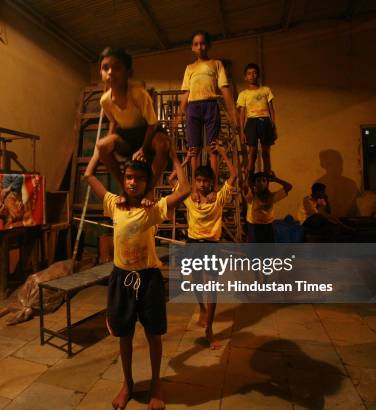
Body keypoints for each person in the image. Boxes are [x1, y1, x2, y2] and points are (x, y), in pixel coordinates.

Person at [85, 142, 191, 410]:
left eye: (139, 179)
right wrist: (99, 149)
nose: (133, 182)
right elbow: (88, 175)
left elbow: (186, 190)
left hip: (149, 279)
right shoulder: (114, 204)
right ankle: (128, 383)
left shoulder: (152, 209)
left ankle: (156, 383)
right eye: (129, 177)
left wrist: (177, 159)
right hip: (122, 279)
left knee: (154, 334)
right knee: (125, 335)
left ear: (147, 183)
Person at [169, 143, 237, 349]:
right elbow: (172, 179)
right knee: (197, 281)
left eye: (205, 181)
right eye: (198, 180)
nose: (201, 184)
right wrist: (188, 159)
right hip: (193, 245)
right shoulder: (190, 198)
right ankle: (202, 309)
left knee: (212, 287)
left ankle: (209, 328)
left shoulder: (218, 199)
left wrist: (222, 153)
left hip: (211, 246)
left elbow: (233, 175)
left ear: (211, 183)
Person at [96, 47, 171, 205]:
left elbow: (152, 123)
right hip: (126, 136)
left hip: (147, 132)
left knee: (163, 143)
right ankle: (124, 188)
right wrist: (108, 144)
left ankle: (149, 190)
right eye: (105, 68)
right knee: (102, 146)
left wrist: (143, 148)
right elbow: (114, 122)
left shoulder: (138, 93)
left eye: (116, 68)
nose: (110, 72)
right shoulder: (105, 100)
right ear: (101, 72)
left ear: (128, 73)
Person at [171, 30, 239, 185]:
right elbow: (186, 94)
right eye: (196, 44)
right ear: (192, 48)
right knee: (194, 150)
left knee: (212, 148)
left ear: (208, 45)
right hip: (193, 107)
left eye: (202, 43)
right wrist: (179, 115)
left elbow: (225, 89)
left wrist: (232, 112)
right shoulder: (189, 68)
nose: (200, 46)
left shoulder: (216, 64)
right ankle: (195, 188)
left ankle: (214, 186)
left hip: (210, 105)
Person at [237, 63, 277, 179]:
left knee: (265, 152)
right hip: (251, 123)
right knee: (252, 152)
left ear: (258, 75)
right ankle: (250, 175)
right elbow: (242, 114)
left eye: (254, 73)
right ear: (245, 77)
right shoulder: (243, 94)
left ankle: (267, 174)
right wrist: (242, 132)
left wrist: (273, 125)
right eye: (249, 74)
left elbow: (271, 109)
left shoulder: (266, 90)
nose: (252, 75)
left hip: (265, 121)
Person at [243, 172, 292, 242]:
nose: (261, 183)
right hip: (254, 227)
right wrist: (248, 176)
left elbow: (289, 187)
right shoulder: (251, 196)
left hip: (268, 227)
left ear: (267, 183)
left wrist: (276, 179)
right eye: (258, 181)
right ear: (254, 184)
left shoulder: (271, 197)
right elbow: (245, 187)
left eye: (264, 180)